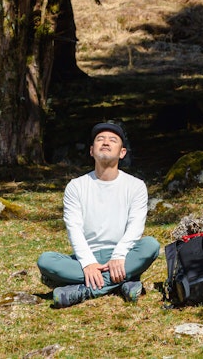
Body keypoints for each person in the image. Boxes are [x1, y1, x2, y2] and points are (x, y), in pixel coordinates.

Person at [37, 121, 160, 308]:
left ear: (122, 153)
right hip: (85, 257)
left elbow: (136, 226)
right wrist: (87, 263)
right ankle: (124, 281)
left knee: (151, 246)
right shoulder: (76, 186)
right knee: (46, 261)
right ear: (91, 151)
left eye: (112, 140)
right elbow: (74, 228)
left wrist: (119, 255)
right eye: (100, 139)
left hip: (123, 256)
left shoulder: (135, 186)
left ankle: (83, 290)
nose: (105, 142)